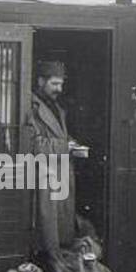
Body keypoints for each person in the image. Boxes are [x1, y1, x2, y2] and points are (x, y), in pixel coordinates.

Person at [25, 59, 86, 254]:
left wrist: (72, 144)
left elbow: (58, 136)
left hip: (58, 174)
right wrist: (64, 146)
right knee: (46, 233)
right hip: (43, 176)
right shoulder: (29, 107)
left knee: (60, 231)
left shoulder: (56, 108)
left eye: (61, 84)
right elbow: (31, 144)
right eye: (54, 84)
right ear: (41, 81)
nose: (59, 89)